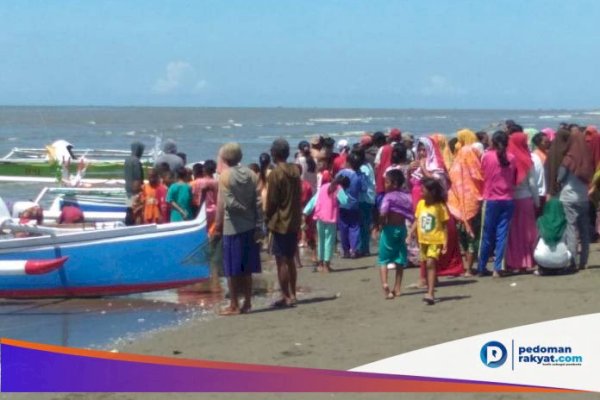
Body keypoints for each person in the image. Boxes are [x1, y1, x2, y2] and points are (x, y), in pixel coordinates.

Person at [214, 143, 263, 315]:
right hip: (250, 226)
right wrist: (258, 223)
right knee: (247, 268)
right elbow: (258, 201)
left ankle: (234, 303)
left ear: (225, 158)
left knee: (231, 269)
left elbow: (228, 203)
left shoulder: (225, 176)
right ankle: (247, 302)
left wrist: (217, 226)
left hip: (232, 227)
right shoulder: (251, 174)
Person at [546, 128, 594, 270]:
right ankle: (584, 261)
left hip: (568, 197)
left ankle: (573, 261)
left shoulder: (568, 158)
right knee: (584, 230)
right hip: (583, 197)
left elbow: (560, 177)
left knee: (571, 229)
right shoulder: (587, 158)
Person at [265, 139, 303, 308]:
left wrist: (267, 217)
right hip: (294, 219)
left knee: (281, 260)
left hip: (280, 221)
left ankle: (286, 295)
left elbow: (272, 200)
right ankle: (292, 293)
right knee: (290, 259)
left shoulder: (275, 174)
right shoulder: (295, 170)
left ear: (275, 153)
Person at [477, 131, 516, 277]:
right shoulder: (512, 158)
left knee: (486, 235)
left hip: (491, 199)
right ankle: (497, 267)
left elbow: (482, 173)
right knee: (502, 234)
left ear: (493, 142)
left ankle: (481, 266)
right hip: (507, 199)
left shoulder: (486, 156)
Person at [447, 129, 484, 276]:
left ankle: (463, 266)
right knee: (472, 236)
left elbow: (453, 180)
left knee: (462, 236)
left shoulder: (457, 157)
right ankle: (469, 268)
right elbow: (479, 174)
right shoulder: (472, 153)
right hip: (472, 200)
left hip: (456, 202)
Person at [407, 177, 448, 305]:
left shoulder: (440, 207)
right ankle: (432, 284)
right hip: (423, 241)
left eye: (423, 190)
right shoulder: (420, 204)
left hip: (436, 240)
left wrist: (445, 242)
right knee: (426, 264)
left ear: (432, 192)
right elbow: (417, 221)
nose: (421, 192)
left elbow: (445, 225)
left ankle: (430, 293)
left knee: (430, 263)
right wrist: (410, 234)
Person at [505, 132, 540, 273]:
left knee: (513, 232)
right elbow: (533, 184)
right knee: (527, 232)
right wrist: (537, 202)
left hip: (510, 199)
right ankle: (527, 260)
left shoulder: (507, 159)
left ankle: (513, 261)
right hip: (525, 199)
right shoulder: (527, 160)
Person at [378, 169, 413, 299]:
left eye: (387, 182)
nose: (385, 184)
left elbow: (383, 213)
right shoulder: (407, 197)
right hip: (401, 229)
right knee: (399, 259)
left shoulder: (388, 197)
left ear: (394, 184)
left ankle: (385, 284)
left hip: (388, 230)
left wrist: (379, 225)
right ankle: (397, 288)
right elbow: (412, 214)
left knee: (383, 259)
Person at [303, 175, 350, 272]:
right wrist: (345, 194)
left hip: (320, 216)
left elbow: (313, 200)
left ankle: (320, 263)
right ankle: (326, 264)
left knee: (321, 240)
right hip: (330, 218)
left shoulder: (324, 187)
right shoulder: (338, 188)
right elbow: (344, 201)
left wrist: (305, 212)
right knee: (329, 241)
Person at [336, 151, 367, 258]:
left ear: (348, 162)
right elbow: (364, 189)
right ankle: (354, 249)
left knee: (343, 228)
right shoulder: (359, 176)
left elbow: (334, 184)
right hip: (354, 204)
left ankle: (345, 250)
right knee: (354, 227)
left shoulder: (340, 173)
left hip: (341, 204)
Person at [124, 141, 145, 226]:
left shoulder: (127, 160)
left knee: (129, 209)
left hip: (128, 189)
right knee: (136, 211)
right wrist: (139, 192)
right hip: (135, 191)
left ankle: (127, 224)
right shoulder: (136, 161)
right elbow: (137, 178)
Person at [195, 160, 218, 229]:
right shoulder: (216, 182)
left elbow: (194, 198)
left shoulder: (197, 182)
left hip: (201, 210)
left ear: (203, 169)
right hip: (214, 210)